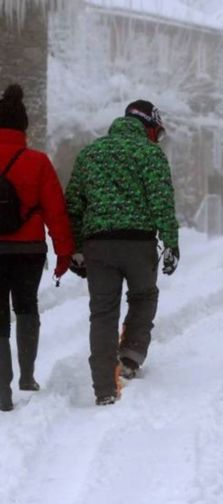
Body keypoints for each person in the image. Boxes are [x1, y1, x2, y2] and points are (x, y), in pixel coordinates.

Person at [65, 100, 179, 406]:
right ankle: (129, 357)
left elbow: (73, 205)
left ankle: (104, 388)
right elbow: (161, 202)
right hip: (139, 244)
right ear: (148, 127)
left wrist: (74, 248)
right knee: (143, 296)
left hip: (98, 245)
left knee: (102, 313)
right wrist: (170, 242)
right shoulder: (149, 153)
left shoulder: (90, 153)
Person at [0, 84, 74, 412]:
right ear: (23, 128)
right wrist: (64, 253)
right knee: (27, 307)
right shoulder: (38, 162)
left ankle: (2, 390)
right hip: (29, 249)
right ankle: (27, 377)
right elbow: (56, 211)